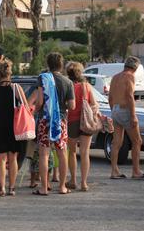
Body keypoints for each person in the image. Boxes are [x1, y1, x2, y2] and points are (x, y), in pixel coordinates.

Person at [0, 59, 27, 196]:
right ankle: (11, 188)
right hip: (14, 127)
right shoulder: (17, 88)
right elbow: (25, 107)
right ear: (10, 73)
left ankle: (1, 188)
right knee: (13, 158)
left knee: (1, 158)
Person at [34, 52, 75, 196]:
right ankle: (62, 187)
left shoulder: (42, 78)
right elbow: (72, 105)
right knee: (62, 153)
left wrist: (35, 110)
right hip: (61, 120)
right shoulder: (68, 82)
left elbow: (39, 102)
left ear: (48, 64)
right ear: (61, 65)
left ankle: (44, 188)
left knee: (44, 154)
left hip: (45, 119)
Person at [109, 56, 144, 180]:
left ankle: (114, 171)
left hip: (115, 109)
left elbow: (110, 97)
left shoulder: (115, 77)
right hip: (125, 110)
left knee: (116, 142)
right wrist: (133, 116)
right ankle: (136, 171)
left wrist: (113, 111)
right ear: (136, 67)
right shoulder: (130, 76)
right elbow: (129, 97)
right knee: (137, 141)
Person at [66, 62, 99, 192]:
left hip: (72, 121)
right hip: (86, 121)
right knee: (85, 152)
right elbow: (94, 104)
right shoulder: (87, 86)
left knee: (72, 152)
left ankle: (73, 180)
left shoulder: (68, 86)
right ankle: (84, 183)